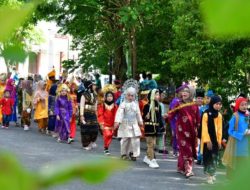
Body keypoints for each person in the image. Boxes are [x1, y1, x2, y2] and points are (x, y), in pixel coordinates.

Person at [167, 85, 200, 178]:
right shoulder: (179, 103)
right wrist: (167, 116)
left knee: (186, 149)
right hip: (181, 130)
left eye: (187, 92)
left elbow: (198, 119)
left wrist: (199, 129)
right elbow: (172, 113)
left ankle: (180, 167)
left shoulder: (195, 105)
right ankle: (188, 170)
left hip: (192, 132)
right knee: (187, 150)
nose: (184, 93)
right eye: (183, 91)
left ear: (191, 94)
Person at [114, 79, 143, 161]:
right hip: (125, 124)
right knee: (125, 139)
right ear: (126, 95)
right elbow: (120, 113)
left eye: (132, 96)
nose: (130, 97)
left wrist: (140, 121)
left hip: (134, 124)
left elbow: (138, 113)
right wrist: (117, 121)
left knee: (135, 139)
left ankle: (134, 153)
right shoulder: (123, 104)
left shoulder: (135, 104)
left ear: (135, 96)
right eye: (129, 95)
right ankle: (123, 153)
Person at [223, 97, 250, 179]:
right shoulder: (235, 116)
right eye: (242, 105)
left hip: (246, 144)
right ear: (238, 106)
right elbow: (230, 131)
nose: (244, 106)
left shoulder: (248, 115)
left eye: (246, 104)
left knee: (244, 161)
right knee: (235, 161)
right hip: (236, 144)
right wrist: (241, 134)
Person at [201, 96, 223, 184]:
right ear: (212, 104)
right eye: (217, 104)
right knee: (208, 158)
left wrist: (219, 141)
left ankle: (212, 174)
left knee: (214, 158)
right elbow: (204, 128)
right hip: (208, 141)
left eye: (220, 104)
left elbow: (220, 129)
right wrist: (207, 140)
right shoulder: (206, 114)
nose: (218, 106)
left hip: (215, 141)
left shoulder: (219, 115)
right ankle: (209, 176)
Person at [143, 89, 164, 168]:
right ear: (151, 95)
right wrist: (146, 116)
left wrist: (162, 127)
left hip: (155, 128)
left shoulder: (159, 106)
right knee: (150, 144)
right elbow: (143, 116)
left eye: (158, 95)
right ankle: (152, 159)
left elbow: (159, 118)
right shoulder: (147, 106)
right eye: (156, 94)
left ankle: (147, 157)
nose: (157, 96)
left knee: (153, 144)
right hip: (149, 127)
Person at [79, 81, 99, 150]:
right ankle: (85, 144)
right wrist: (81, 115)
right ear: (90, 86)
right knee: (86, 129)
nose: (95, 86)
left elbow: (96, 106)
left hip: (93, 113)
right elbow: (81, 106)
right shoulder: (84, 95)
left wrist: (97, 115)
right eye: (93, 85)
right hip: (86, 113)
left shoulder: (95, 95)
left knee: (95, 128)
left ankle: (92, 141)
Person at [97, 89, 118, 155]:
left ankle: (106, 147)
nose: (109, 97)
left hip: (112, 124)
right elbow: (100, 114)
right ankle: (106, 148)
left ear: (113, 97)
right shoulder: (102, 105)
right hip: (105, 124)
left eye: (111, 96)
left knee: (110, 136)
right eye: (108, 96)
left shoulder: (115, 106)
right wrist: (101, 123)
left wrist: (116, 123)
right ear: (106, 97)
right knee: (107, 134)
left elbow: (116, 115)